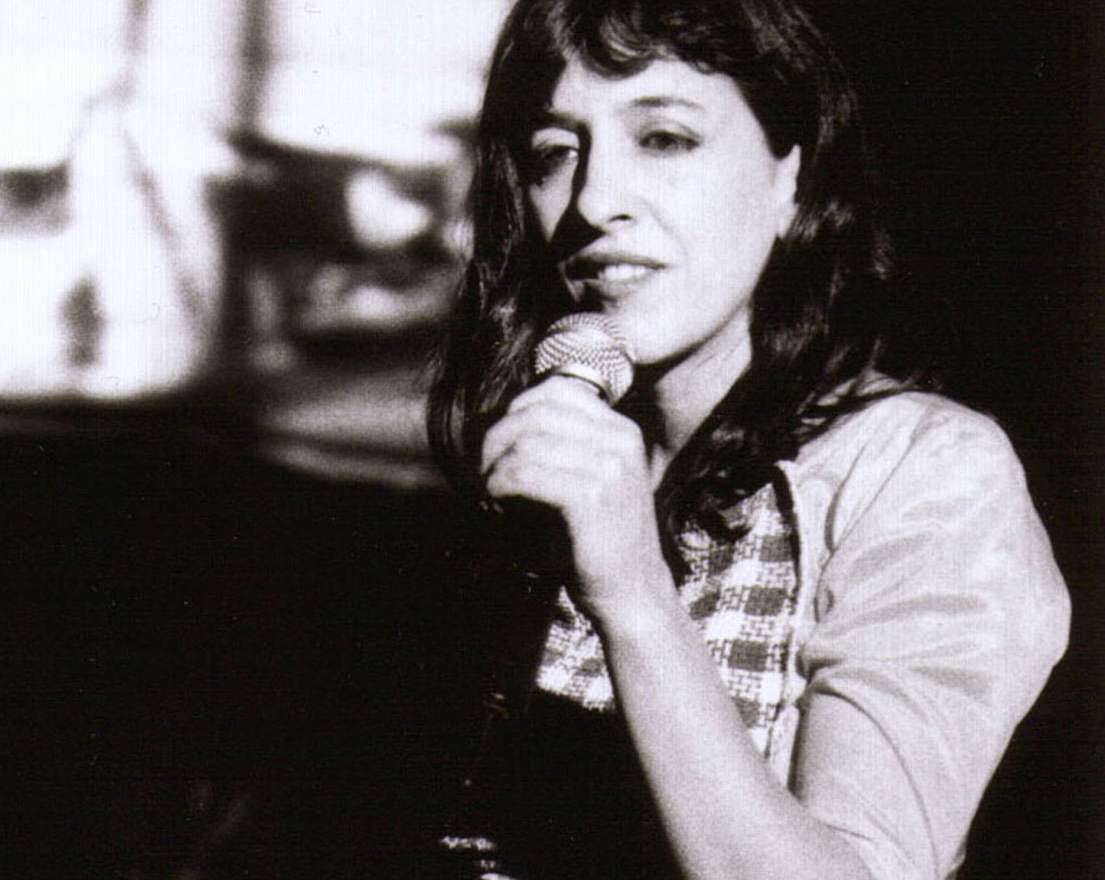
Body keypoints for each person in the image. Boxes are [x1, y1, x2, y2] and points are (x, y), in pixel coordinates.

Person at [423, 0, 1070, 878]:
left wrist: (635, 595)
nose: (594, 203)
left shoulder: (922, 472)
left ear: (789, 178)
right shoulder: (545, 463)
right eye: (555, 154)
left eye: (664, 139)